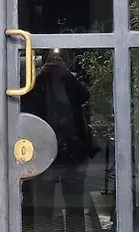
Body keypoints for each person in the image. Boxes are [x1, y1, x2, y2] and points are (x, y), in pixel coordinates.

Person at [22, 50, 99, 232]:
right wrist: (40, 76)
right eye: (52, 59)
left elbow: (84, 96)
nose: (55, 64)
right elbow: (24, 101)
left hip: (72, 150)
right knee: (44, 206)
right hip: (45, 151)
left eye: (60, 59)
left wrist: (67, 74)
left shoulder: (70, 81)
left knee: (74, 205)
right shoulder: (38, 82)